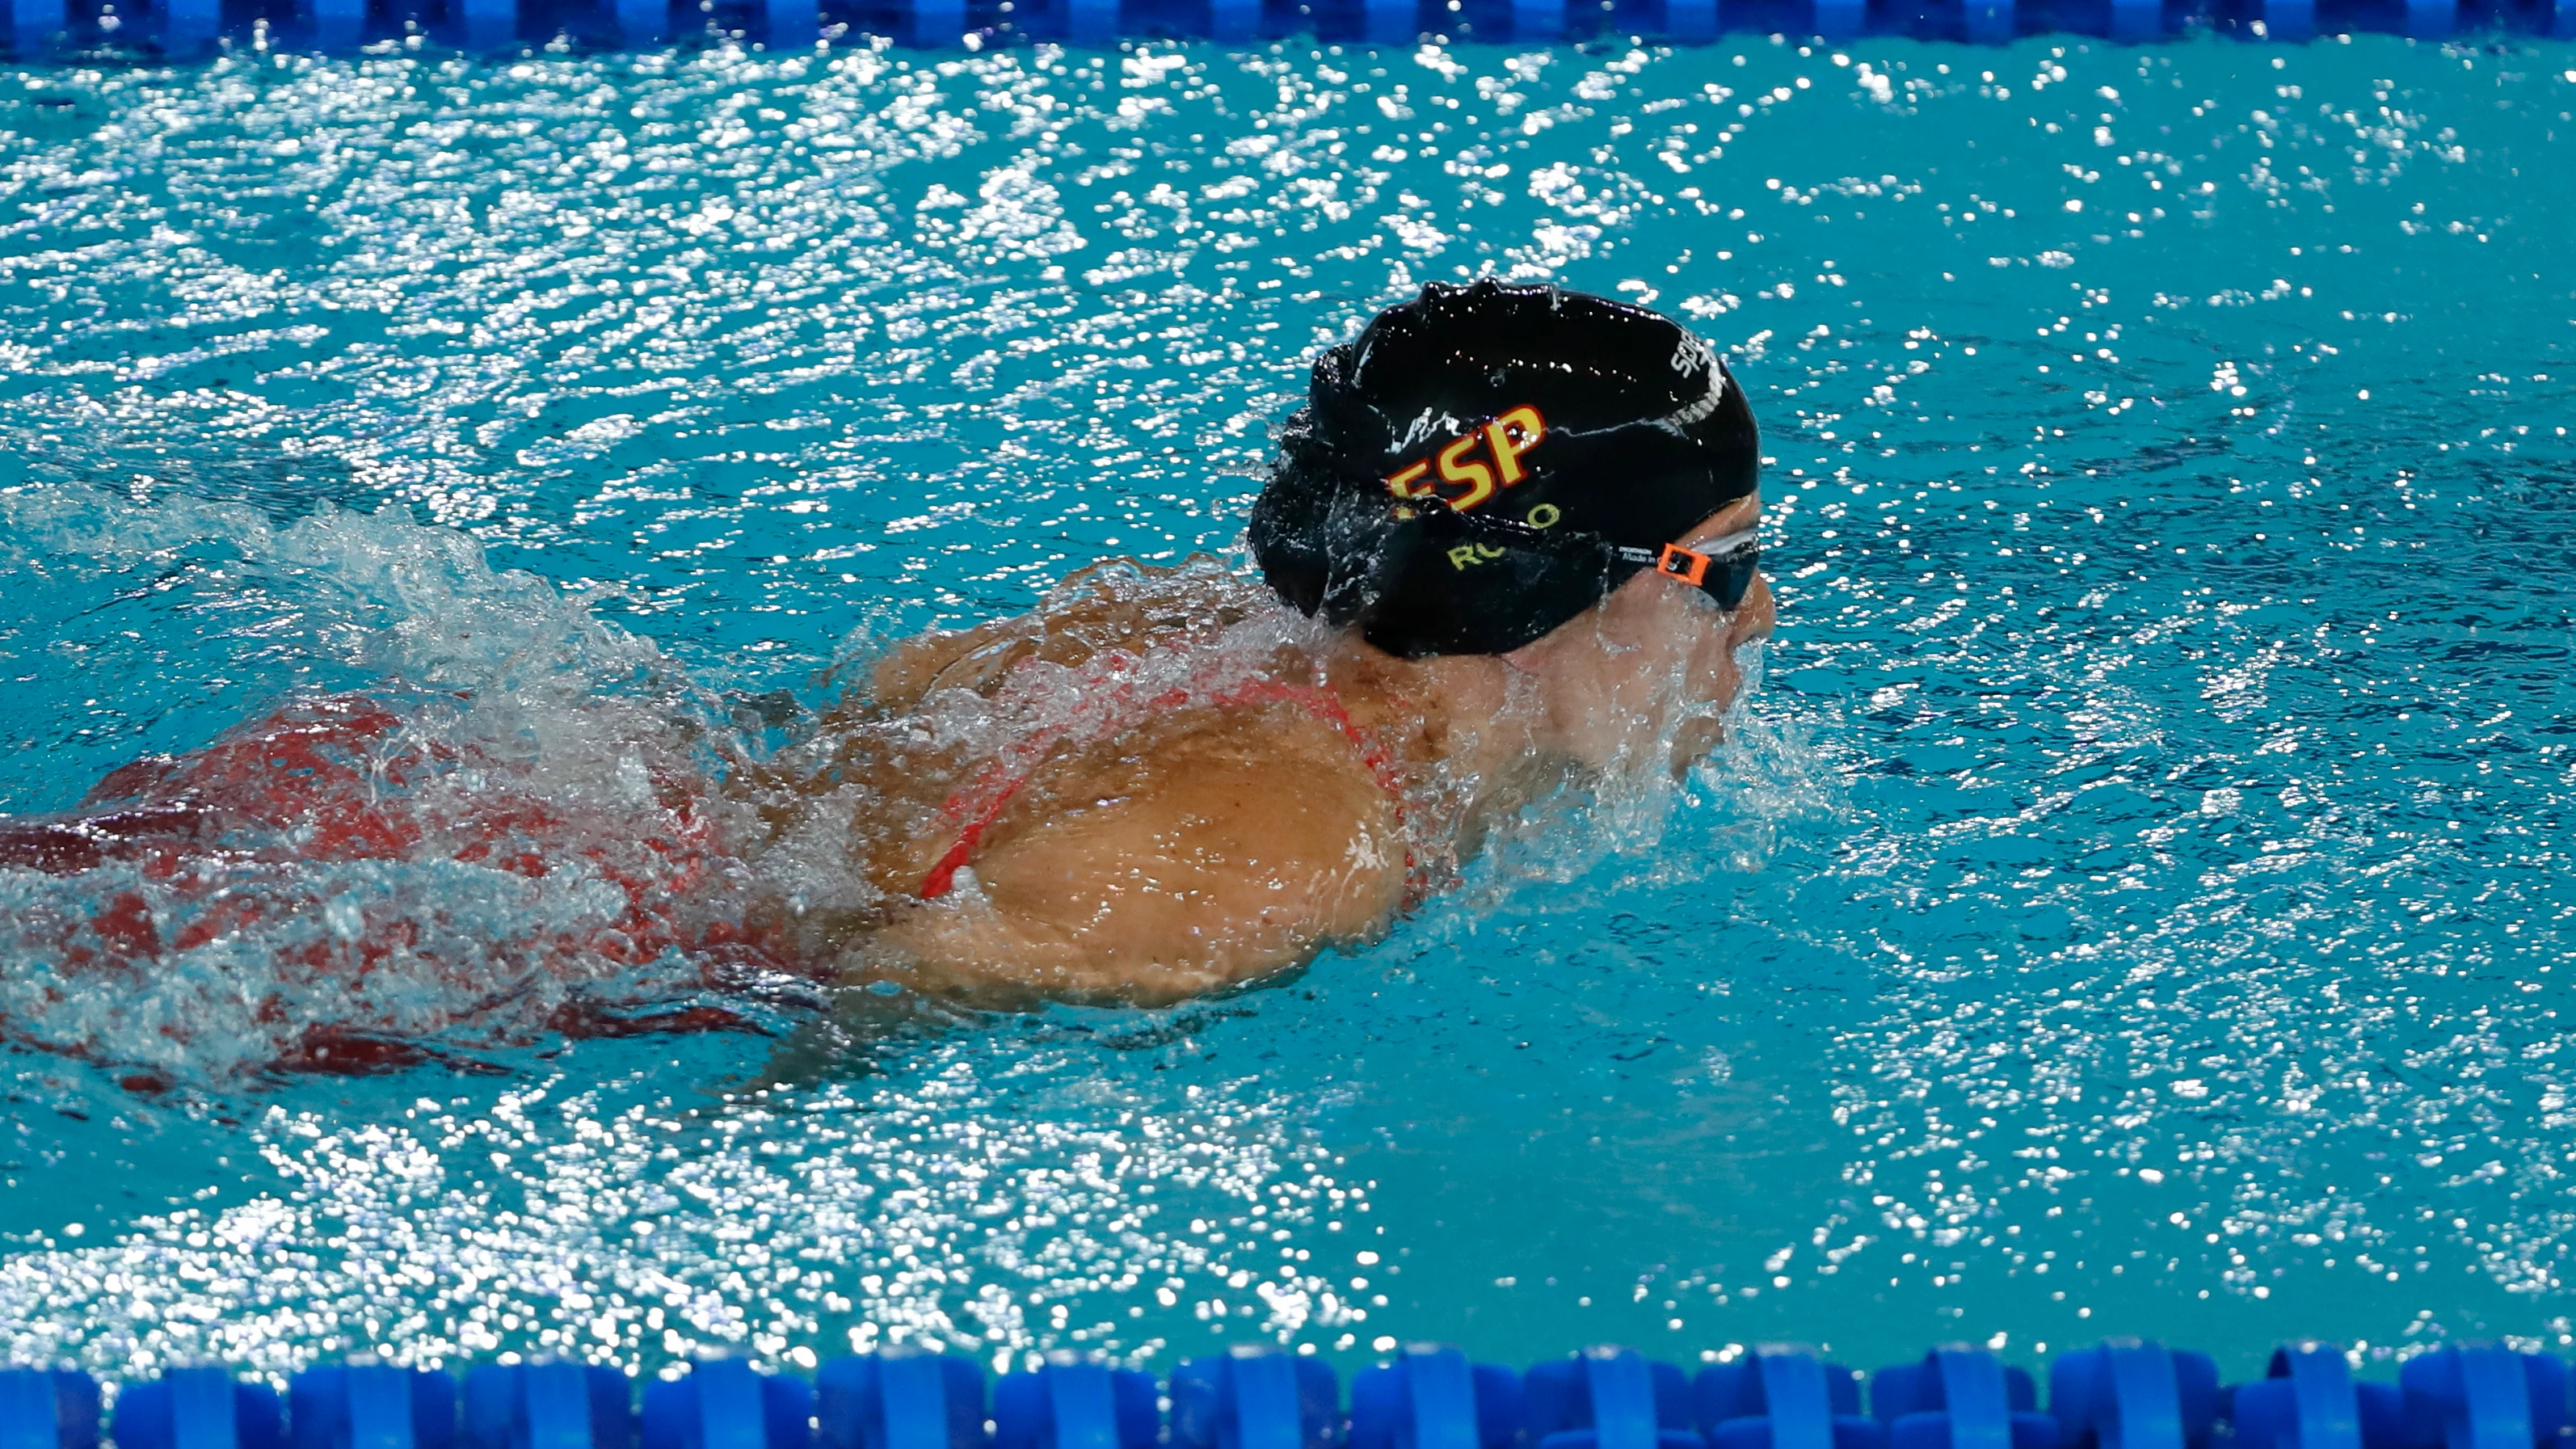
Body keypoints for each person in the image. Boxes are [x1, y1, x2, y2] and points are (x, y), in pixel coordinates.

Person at [0, 280, 1774, 1072]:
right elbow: (882, 996)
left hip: (485, 781)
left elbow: (881, 721)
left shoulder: (1176, 626)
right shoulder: (1285, 841)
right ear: (1555, 583)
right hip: (491, 923)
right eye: (1724, 570)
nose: (1757, 625)